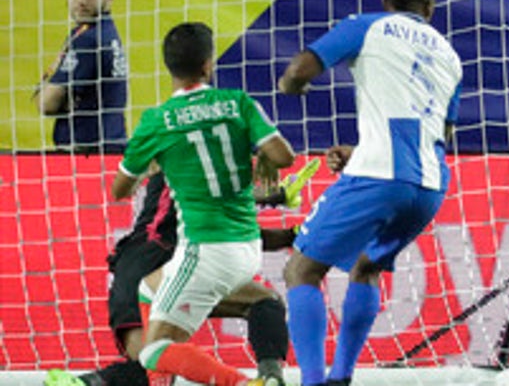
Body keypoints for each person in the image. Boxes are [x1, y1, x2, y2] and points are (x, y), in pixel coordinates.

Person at [277, 0, 462, 386]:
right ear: (430, 8)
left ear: (386, 0)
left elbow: (300, 70)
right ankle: (341, 378)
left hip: (379, 175)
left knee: (301, 271)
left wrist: (291, 86)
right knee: (366, 267)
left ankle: (312, 382)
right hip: (430, 186)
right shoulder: (450, 57)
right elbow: (440, 134)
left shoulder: (369, 25)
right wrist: (362, 149)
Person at [108, 21, 296, 386]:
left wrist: (153, 161)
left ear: (168, 67)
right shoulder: (238, 103)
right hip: (247, 247)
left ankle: (242, 384)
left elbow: (120, 189)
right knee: (148, 288)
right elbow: (283, 155)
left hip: (205, 251)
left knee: (151, 349)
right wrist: (267, 161)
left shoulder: (157, 121)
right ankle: (267, 376)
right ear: (209, 64)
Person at [43, 159, 318, 386]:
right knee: (262, 302)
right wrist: (275, 196)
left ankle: (83, 384)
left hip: (145, 265)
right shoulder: (190, 161)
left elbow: (236, 231)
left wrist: (292, 234)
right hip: (161, 260)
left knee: (156, 367)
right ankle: (269, 376)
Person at [36, 0, 129, 153]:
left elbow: (46, 104)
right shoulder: (104, 31)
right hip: (111, 144)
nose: (81, 0)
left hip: (87, 153)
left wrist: (43, 90)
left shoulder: (88, 39)